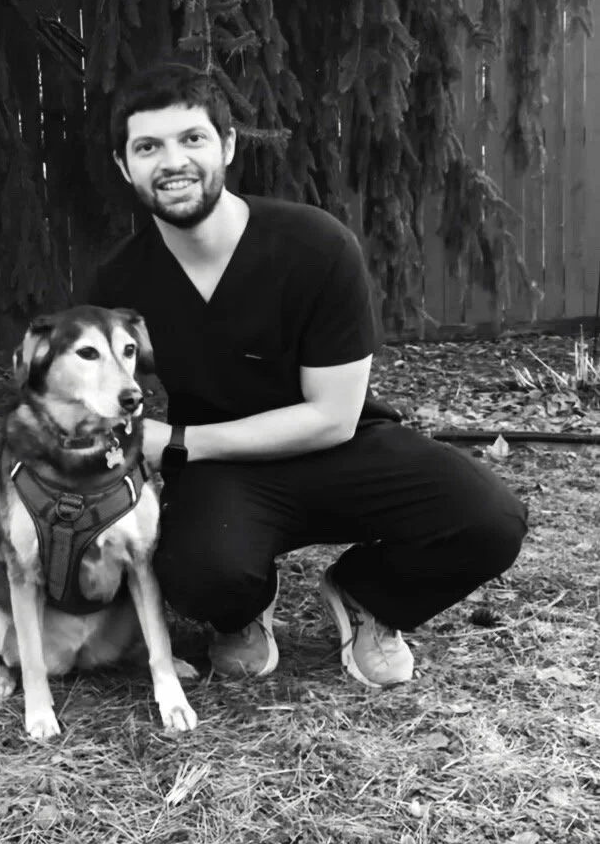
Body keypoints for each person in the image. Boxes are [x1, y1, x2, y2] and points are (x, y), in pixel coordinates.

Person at [85, 61, 528, 687]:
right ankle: (241, 609)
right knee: (196, 572)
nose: (172, 161)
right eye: (148, 146)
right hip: (225, 476)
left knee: (489, 521)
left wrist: (179, 443)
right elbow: (97, 397)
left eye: (192, 139)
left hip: (343, 447)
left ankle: (368, 596)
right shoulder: (118, 284)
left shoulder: (315, 247)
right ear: (124, 166)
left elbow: (332, 416)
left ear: (228, 145)